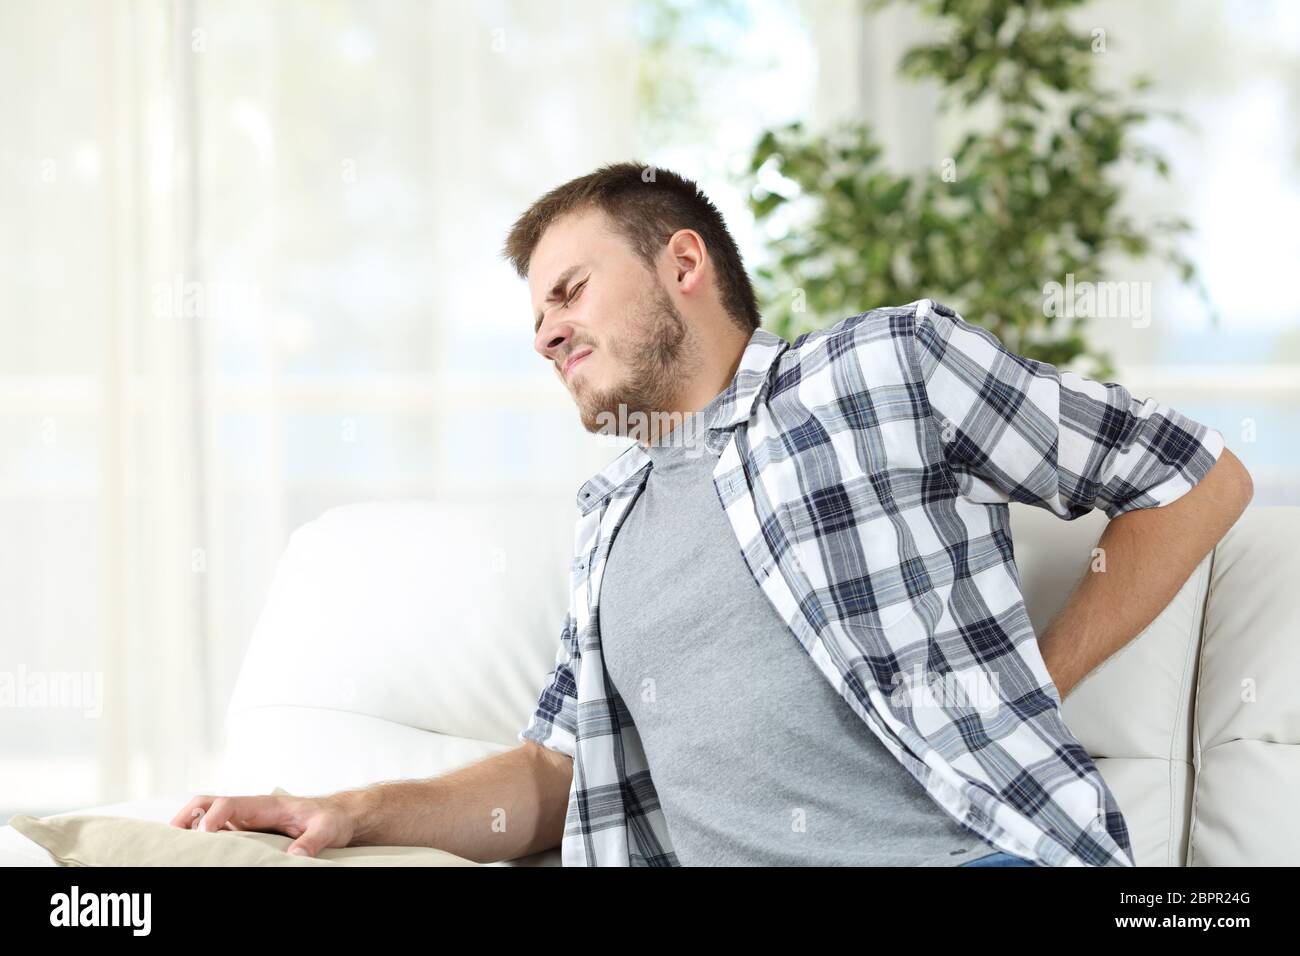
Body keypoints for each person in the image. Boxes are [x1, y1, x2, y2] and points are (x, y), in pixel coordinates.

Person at [171, 162, 1253, 866]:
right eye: (535, 312)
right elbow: (555, 772)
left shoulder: (876, 369)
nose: (544, 333)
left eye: (569, 290)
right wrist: (350, 811)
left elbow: (1194, 477)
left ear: (681, 261)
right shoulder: (607, 527)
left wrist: (1024, 685)